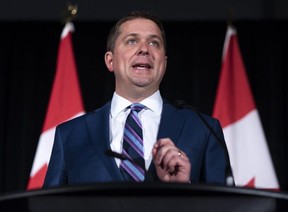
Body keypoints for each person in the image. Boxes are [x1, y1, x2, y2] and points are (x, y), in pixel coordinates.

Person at [43, 10, 233, 187]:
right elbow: (47, 209)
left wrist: (183, 191)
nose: (144, 49)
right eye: (132, 41)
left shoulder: (203, 130)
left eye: (154, 43)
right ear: (110, 61)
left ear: (164, 63)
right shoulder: (70, 135)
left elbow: (225, 209)